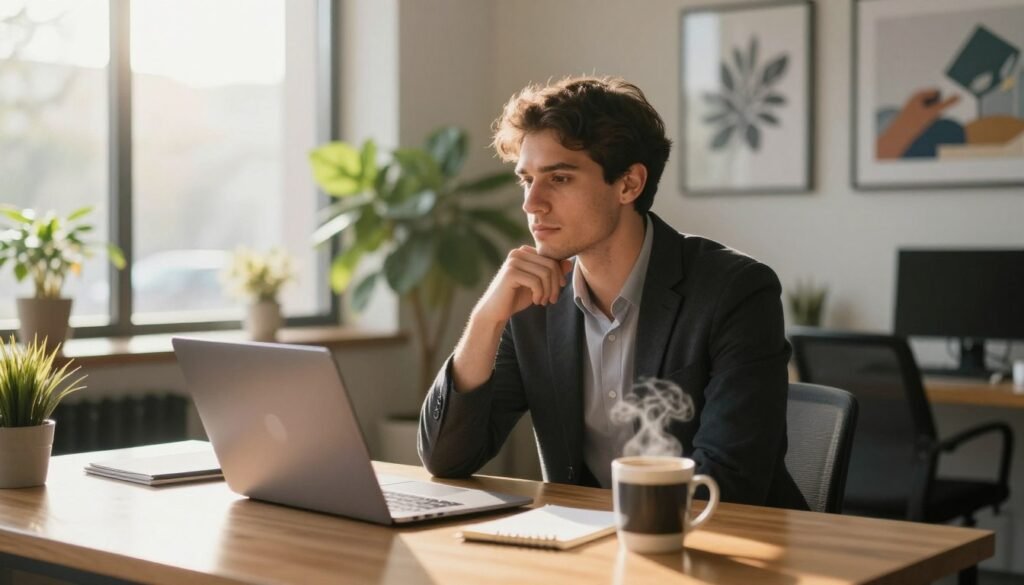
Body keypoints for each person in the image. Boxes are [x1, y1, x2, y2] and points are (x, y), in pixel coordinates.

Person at [417, 75, 807, 510]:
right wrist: (487, 319)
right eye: (526, 180)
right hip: (591, 554)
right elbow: (447, 458)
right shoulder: (533, 302)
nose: (532, 203)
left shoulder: (735, 291)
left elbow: (728, 482)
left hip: (730, 552)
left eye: (559, 178)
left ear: (628, 185)